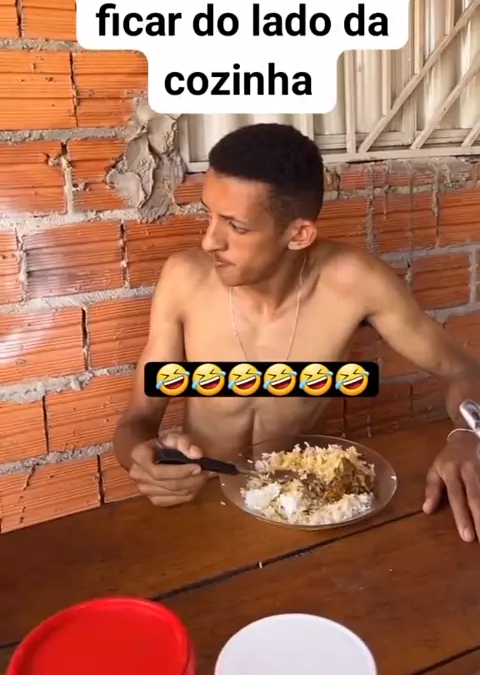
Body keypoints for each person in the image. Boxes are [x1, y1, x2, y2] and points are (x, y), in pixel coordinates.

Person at [113, 122, 480, 542]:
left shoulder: (355, 283)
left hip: (304, 504)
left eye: (236, 226)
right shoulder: (184, 280)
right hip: (205, 501)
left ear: (298, 234)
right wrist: (142, 458)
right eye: (208, 214)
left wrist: (470, 436)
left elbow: (463, 370)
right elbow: (137, 421)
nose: (210, 241)